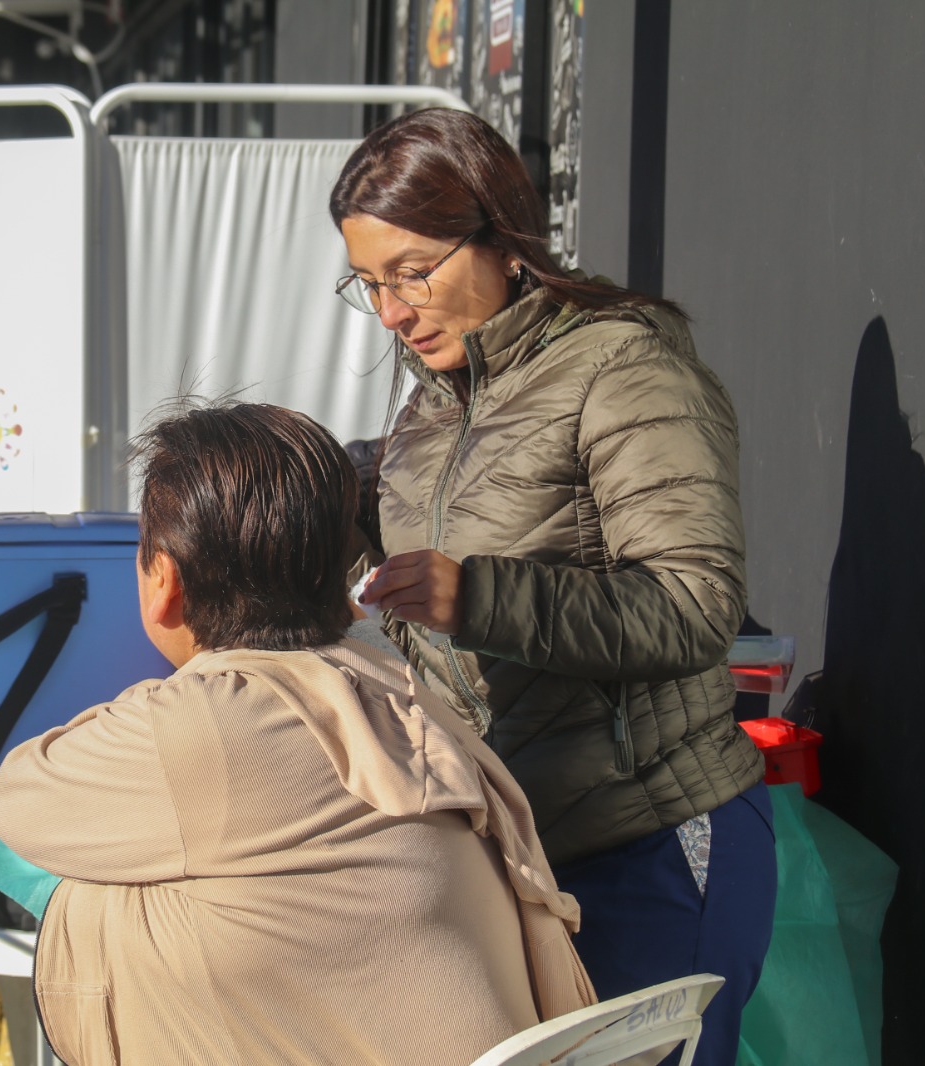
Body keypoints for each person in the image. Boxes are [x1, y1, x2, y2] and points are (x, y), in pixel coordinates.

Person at [330, 107, 774, 1065]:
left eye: (413, 271)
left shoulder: (623, 364)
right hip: (519, 867)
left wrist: (477, 599)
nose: (393, 312)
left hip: (651, 842)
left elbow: (697, 605)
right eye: (368, 284)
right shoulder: (433, 408)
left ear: (502, 235)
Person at [0, 402, 594, 1066]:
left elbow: (18, 801)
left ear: (164, 579)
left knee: (101, 898)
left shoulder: (210, 722)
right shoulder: (392, 684)